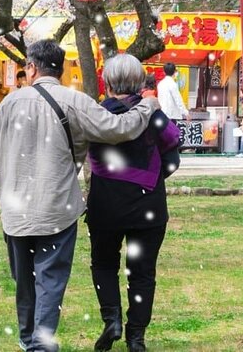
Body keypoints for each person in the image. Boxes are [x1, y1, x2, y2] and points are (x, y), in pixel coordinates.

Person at [0, 40, 160, 352]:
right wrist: (147, 105)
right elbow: (118, 128)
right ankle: (41, 343)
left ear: (32, 67)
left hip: (15, 211)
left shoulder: (9, 104)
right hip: (56, 209)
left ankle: (29, 341)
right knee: (49, 280)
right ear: (60, 69)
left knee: (24, 281)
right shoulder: (75, 101)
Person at [87, 54, 180, 352]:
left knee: (103, 263)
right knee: (142, 272)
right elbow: (173, 143)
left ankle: (111, 318)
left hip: (106, 204)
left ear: (108, 81)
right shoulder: (151, 113)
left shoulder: (97, 114)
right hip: (148, 205)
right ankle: (136, 337)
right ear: (139, 82)